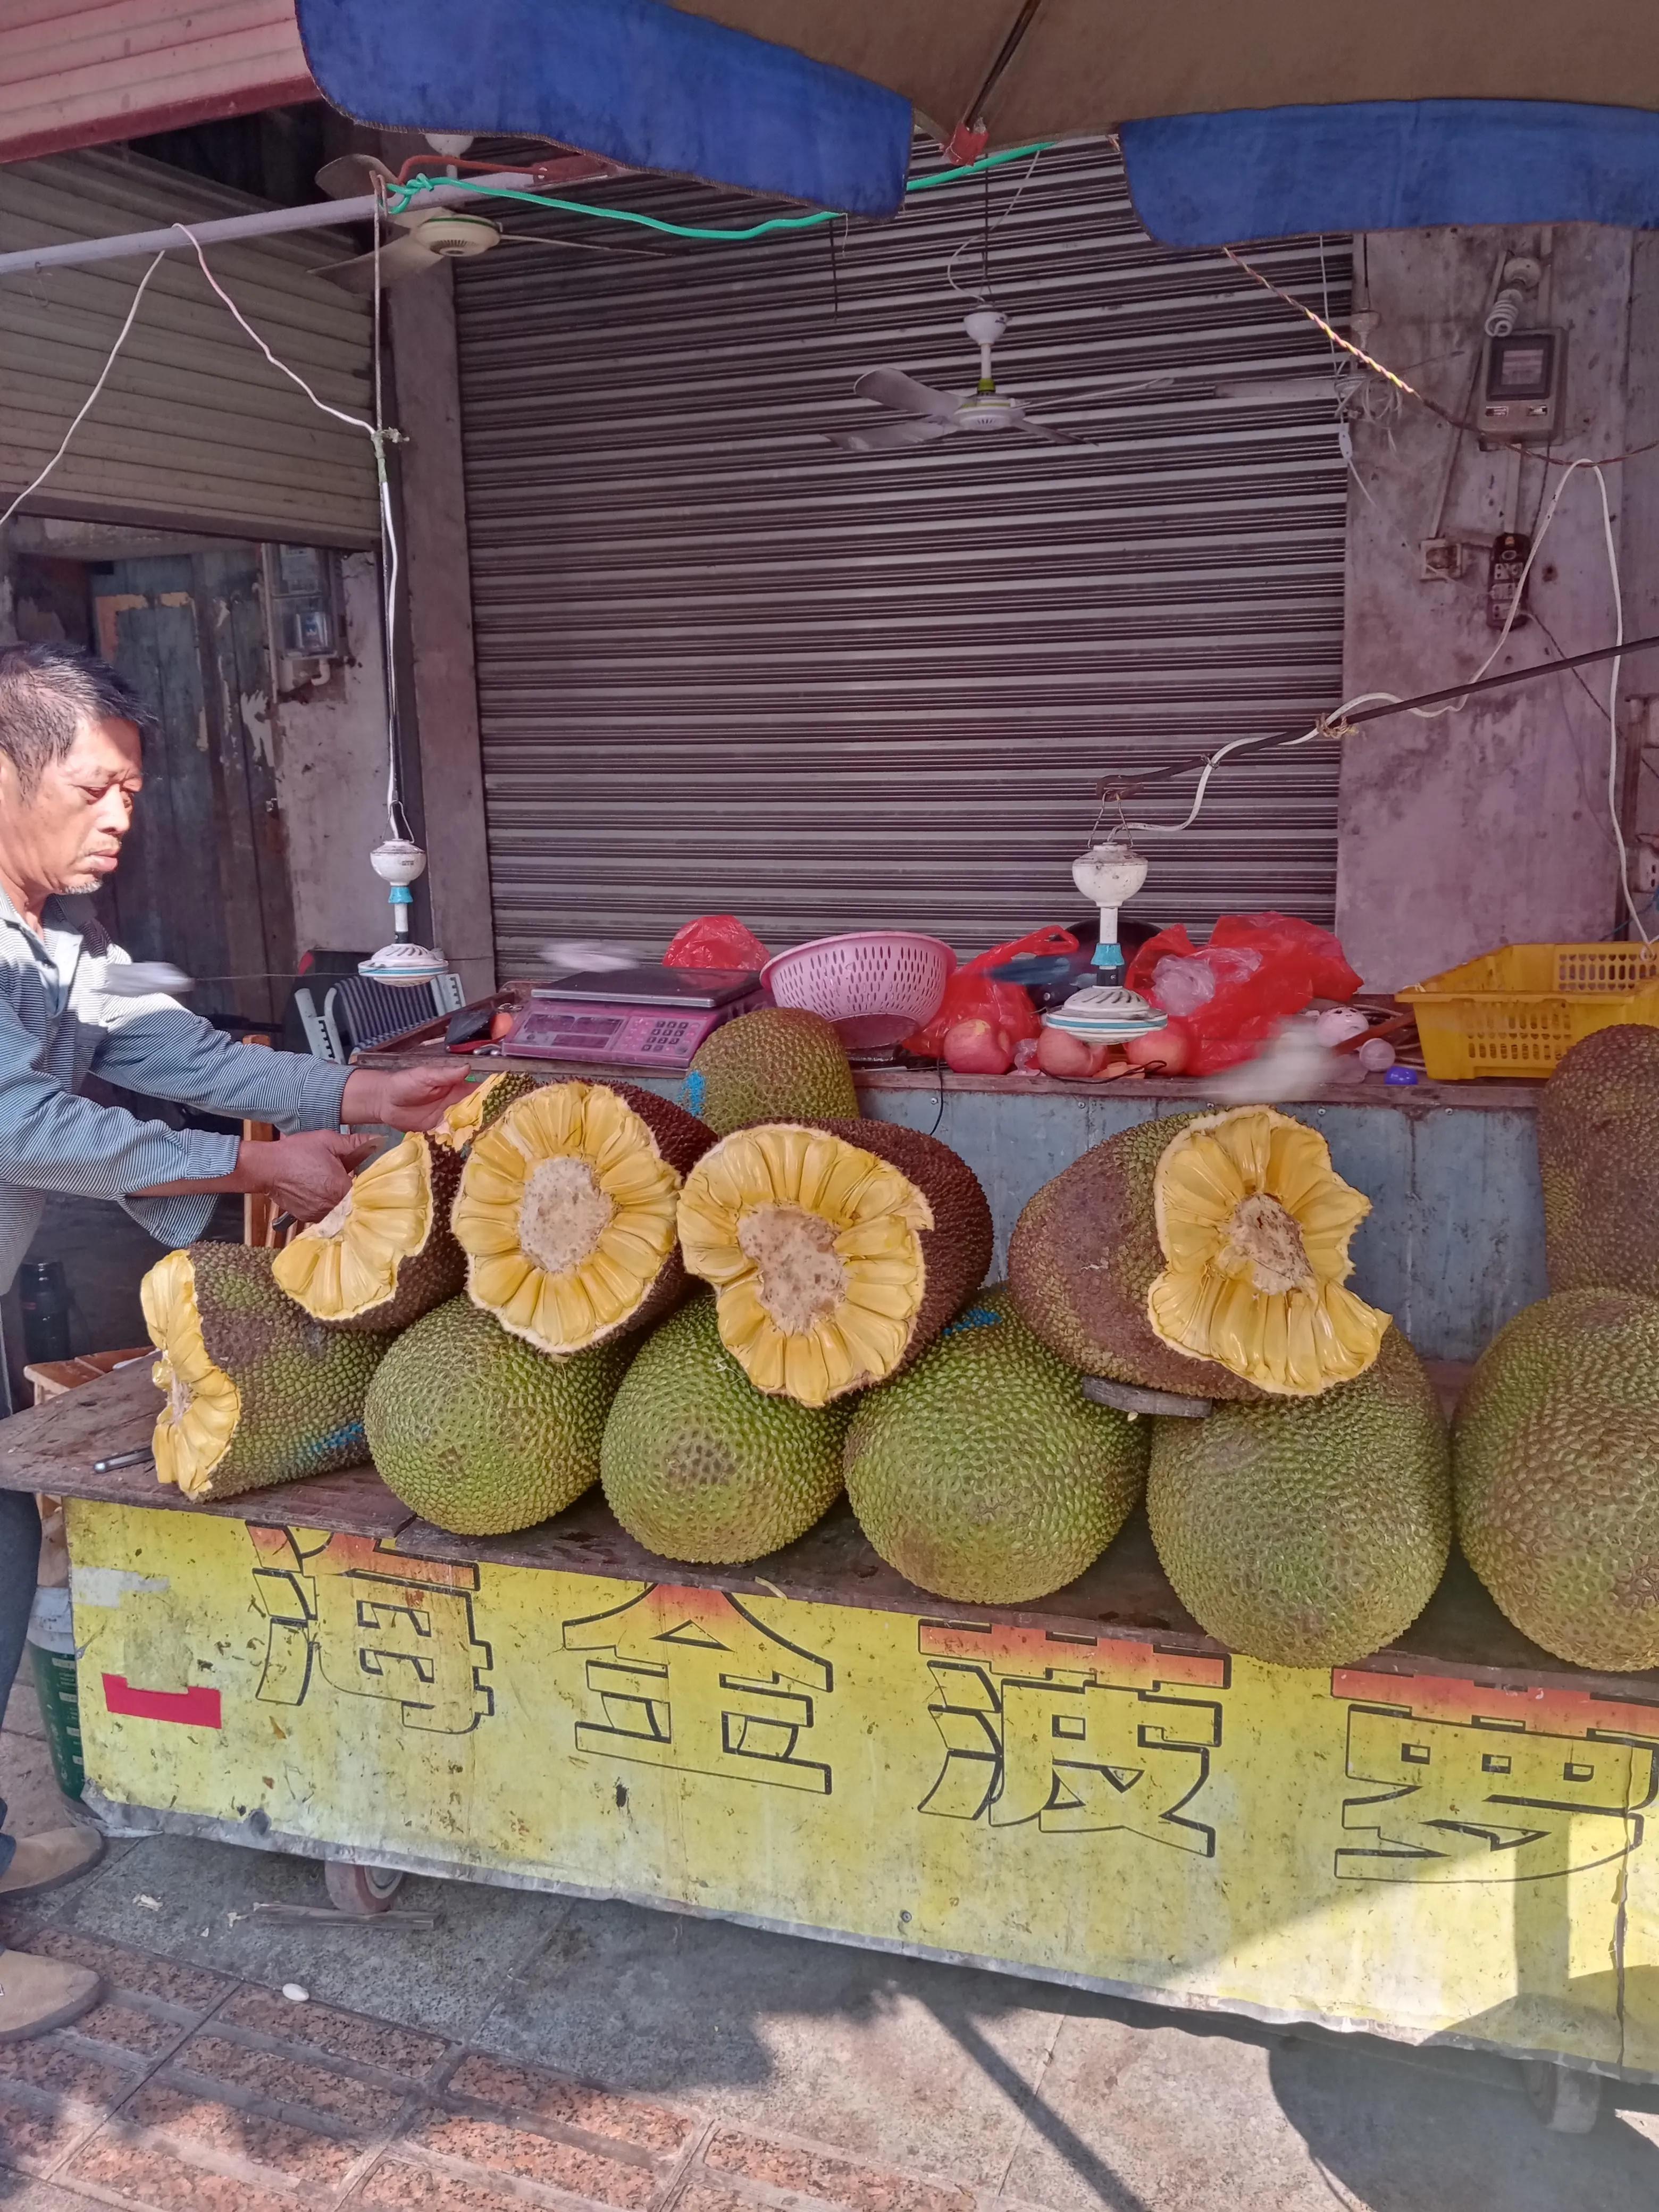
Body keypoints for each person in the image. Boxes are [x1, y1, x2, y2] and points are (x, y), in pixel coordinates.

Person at [0, 644, 470, 2041]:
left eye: (132, 790)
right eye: (97, 787)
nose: (122, 815)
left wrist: (363, 1083)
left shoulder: (46, 952)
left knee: (5, 1551)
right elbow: (24, 1125)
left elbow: (179, 1055)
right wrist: (253, 1171)